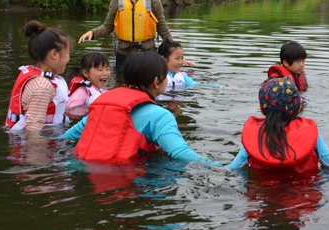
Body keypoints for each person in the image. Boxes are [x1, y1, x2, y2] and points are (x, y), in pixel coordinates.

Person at [62, 51, 219, 164]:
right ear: (157, 82)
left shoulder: (105, 103)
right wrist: (219, 167)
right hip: (125, 179)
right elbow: (180, 153)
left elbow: (67, 136)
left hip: (79, 166)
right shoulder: (161, 115)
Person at [225, 78, 329, 171]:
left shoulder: (254, 136)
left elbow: (232, 168)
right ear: (299, 108)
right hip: (301, 196)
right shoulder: (310, 132)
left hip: (263, 196)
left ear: (263, 110)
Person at [77, 0, 182, 72]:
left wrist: (175, 54)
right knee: (123, 85)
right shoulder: (117, 1)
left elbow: (163, 29)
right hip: (124, 55)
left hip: (148, 55)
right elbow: (107, 27)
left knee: (146, 87)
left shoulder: (153, 2)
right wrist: (93, 33)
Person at [5, 20, 71, 132]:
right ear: (54, 54)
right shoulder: (42, 86)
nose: (68, 58)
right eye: (67, 53)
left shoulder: (41, 78)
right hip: (35, 146)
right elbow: (32, 131)